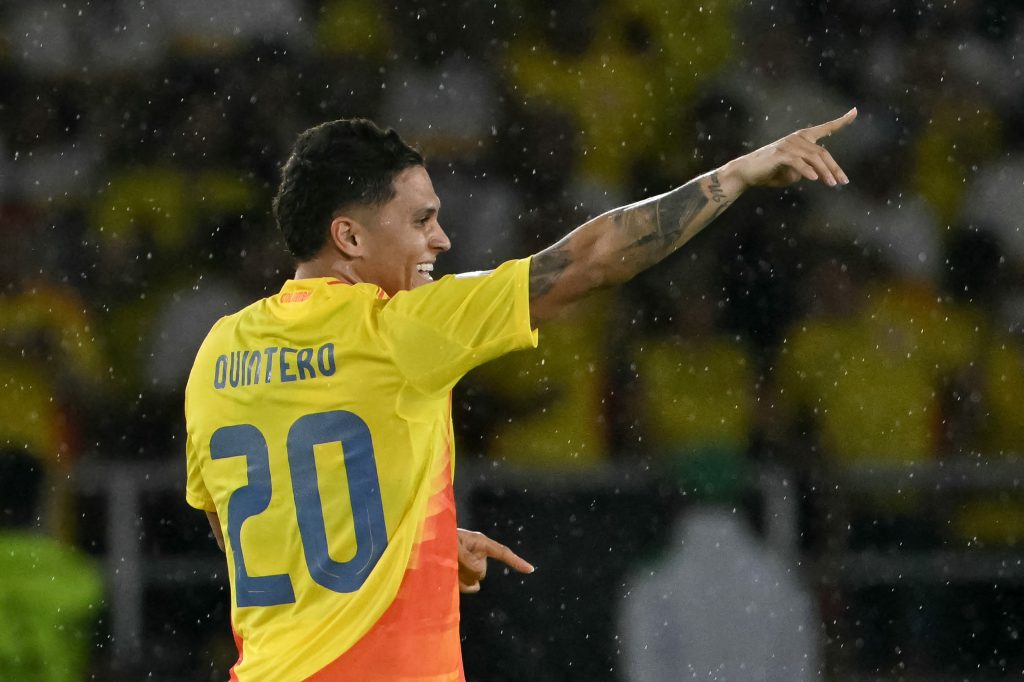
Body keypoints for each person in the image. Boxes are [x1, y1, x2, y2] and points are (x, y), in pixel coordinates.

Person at [184, 109, 856, 681]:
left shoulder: (220, 350)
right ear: (350, 236)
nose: (440, 240)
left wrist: (403, 544)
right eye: (420, 221)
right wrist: (736, 174)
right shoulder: (401, 328)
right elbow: (590, 261)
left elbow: (239, 533)